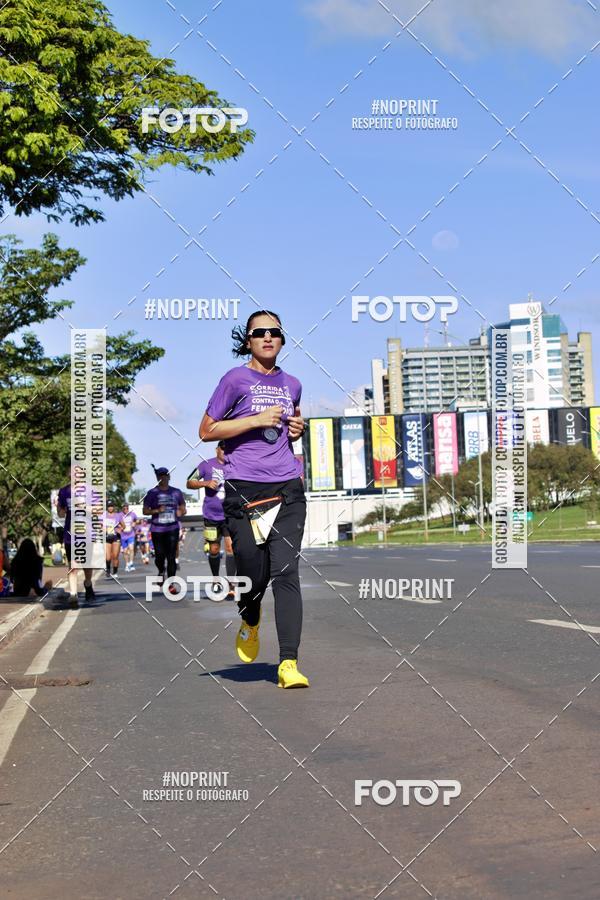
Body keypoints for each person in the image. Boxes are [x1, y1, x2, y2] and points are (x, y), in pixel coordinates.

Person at [199, 310, 309, 689]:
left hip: (287, 486)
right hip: (244, 488)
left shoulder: (292, 384)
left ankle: (288, 663)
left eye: (274, 332)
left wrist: (296, 429)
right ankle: (250, 617)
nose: (267, 337)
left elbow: (286, 432)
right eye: (258, 332)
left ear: (282, 339)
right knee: (251, 570)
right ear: (247, 340)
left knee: (286, 571)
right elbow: (207, 430)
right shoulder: (234, 379)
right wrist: (254, 420)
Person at [187, 441, 237, 599]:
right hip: (211, 516)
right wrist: (205, 483)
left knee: (231, 548)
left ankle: (231, 585)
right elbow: (189, 482)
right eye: (222, 448)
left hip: (230, 515)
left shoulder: (236, 464)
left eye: (227, 447)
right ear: (217, 449)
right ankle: (215, 579)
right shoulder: (206, 465)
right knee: (214, 549)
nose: (225, 450)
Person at [142, 468, 186, 594]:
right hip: (157, 529)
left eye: (165, 475)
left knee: (171, 556)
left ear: (169, 476)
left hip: (172, 528)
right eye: (160, 475)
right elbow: (145, 511)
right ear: (157, 478)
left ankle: (171, 583)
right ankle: (161, 570)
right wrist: (156, 511)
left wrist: (180, 511)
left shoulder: (176, 492)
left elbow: (183, 508)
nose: (163, 478)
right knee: (160, 556)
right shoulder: (152, 493)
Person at [57, 479, 96, 607]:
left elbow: (98, 510)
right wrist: (61, 509)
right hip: (71, 534)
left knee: (87, 564)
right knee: (73, 565)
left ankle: (88, 583)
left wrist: (83, 506)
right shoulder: (64, 491)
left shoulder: (90, 490)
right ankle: (73, 594)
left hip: (87, 533)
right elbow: (61, 514)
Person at [104, 502, 123, 577]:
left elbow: (123, 526)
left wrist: (120, 529)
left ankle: (115, 572)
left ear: (114, 507)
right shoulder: (103, 515)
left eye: (112, 506)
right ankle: (108, 569)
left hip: (116, 537)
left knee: (115, 556)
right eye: (109, 506)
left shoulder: (118, 516)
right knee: (107, 557)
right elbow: (99, 525)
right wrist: (103, 529)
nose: (110, 508)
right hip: (106, 537)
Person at [120, 503, 138, 572]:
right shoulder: (120, 515)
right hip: (123, 535)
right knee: (125, 551)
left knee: (131, 549)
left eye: (127, 508)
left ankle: (131, 563)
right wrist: (120, 527)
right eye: (124, 508)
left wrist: (134, 523)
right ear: (122, 509)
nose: (125, 509)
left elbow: (137, 520)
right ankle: (127, 565)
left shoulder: (132, 514)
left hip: (131, 534)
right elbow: (116, 523)